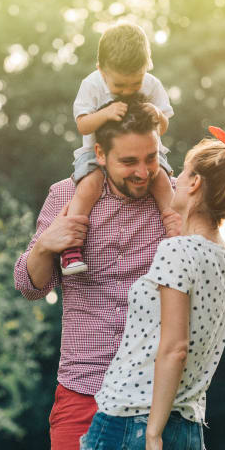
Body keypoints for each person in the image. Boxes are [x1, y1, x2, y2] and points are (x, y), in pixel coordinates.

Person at [79, 124, 225, 450]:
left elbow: (176, 348)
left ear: (196, 183)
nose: (175, 180)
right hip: (189, 430)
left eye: (184, 173)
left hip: (133, 423)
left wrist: (153, 434)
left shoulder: (178, 251)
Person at [14, 97, 182, 450]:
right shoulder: (65, 195)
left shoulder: (177, 199)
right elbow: (29, 286)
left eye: (151, 158)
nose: (142, 171)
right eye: (128, 161)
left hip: (155, 396)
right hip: (83, 389)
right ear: (100, 153)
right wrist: (46, 246)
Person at [60, 21, 175, 275]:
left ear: (147, 67)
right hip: (94, 153)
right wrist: (106, 113)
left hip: (146, 150)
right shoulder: (91, 85)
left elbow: (163, 127)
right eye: (119, 86)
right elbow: (83, 125)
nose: (126, 92)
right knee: (88, 187)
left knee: (163, 183)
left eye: (134, 85)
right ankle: (71, 249)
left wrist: (156, 114)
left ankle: (177, 234)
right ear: (101, 70)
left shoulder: (153, 85)